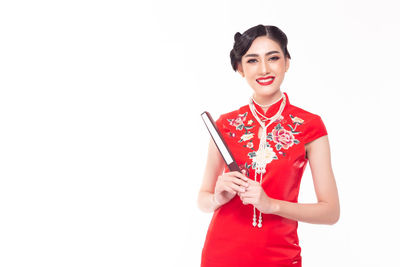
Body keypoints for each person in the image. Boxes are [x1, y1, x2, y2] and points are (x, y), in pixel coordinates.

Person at [197, 24, 340, 267]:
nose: (264, 69)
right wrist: (218, 197)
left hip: (280, 257)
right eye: (252, 61)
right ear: (240, 69)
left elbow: (330, 212)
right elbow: (203, 198)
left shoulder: (309, 126)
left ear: (287, 62)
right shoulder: (225, 124)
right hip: (220, 256)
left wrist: (271, 205)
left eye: (273, 58)